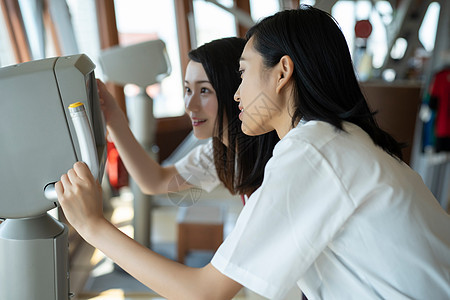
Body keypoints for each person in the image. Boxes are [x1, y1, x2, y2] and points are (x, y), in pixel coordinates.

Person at [57, 6, 450, 300]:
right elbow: (159, 182)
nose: (237, 92)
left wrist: (93, 227)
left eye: (241, 75)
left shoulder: (313, 151)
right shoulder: (335, 141)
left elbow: (205, 291)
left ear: (282, 72)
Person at [97, 36, 277, 200]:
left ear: (236, 91)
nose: (190, 106)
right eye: (188, 90)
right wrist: (113, 116)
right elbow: (155, 181)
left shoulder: (278, 157)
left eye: (204, 90)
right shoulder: (220, 153)